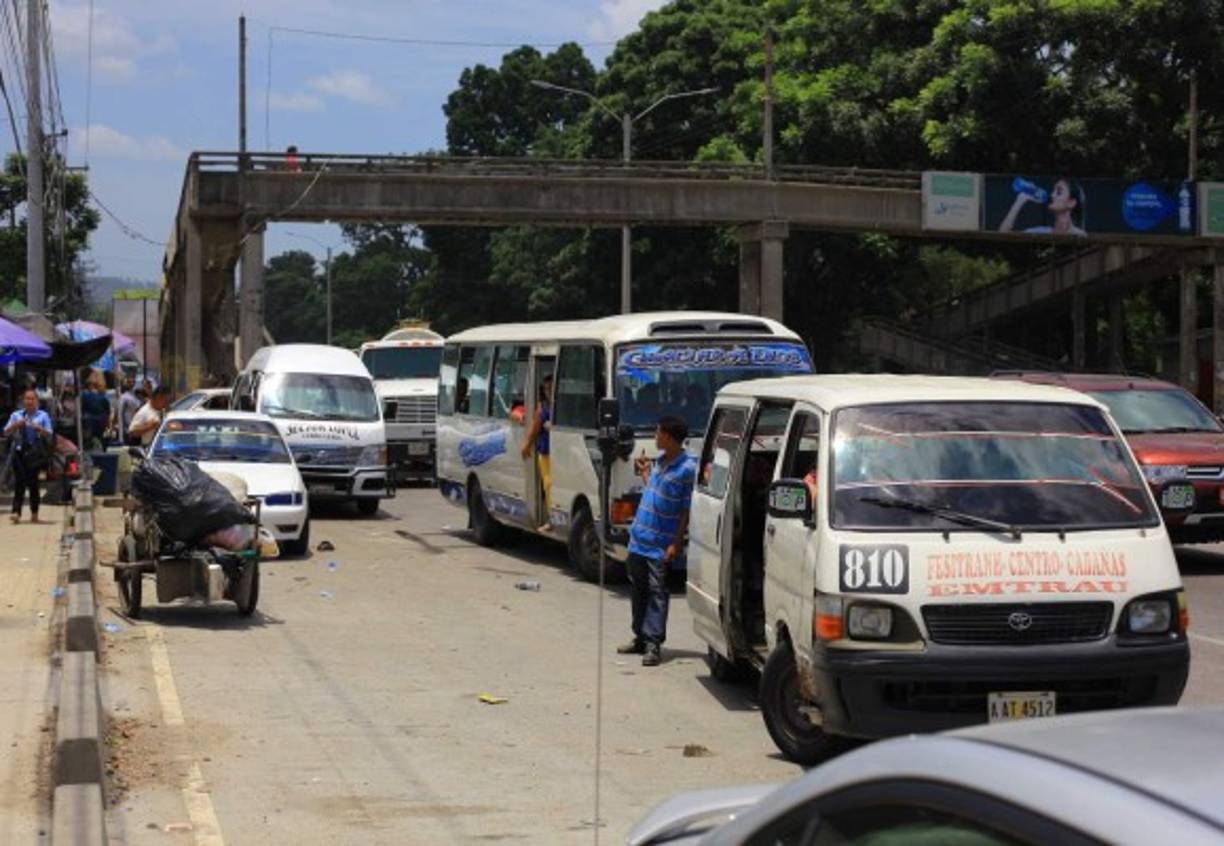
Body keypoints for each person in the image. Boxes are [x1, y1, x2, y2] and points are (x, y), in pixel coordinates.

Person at [618, 415, 697, 667]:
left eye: (658, 432)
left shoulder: (687, 468)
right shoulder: (660, 462)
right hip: (639, 538)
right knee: (638, 589)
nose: (655, 435)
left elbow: (686, 510)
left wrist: (675, 542)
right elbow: (656, 491)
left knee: (657, 592)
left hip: (660, 544)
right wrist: (645, 474)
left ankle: (653, 643)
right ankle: (640, 637)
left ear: (670, 437)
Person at [5, 388, 53, 524]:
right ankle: (16, 512)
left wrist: (39, 428)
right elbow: (5, 432)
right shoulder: (16, 415)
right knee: (19, 483)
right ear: (23, 401)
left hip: (35, 454)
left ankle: (34, 512)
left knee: (33, 484)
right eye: (27, 399)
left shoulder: (43, 415)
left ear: (37, 401)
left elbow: (49, 434)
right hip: (19, 453)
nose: (29, 401)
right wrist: (15, 425)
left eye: (32, 399)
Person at [521, 374, 554, 532]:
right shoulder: (543, 407)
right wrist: (527, 445)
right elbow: (535, 427)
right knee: (548, 486)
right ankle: (551, 518)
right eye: (546, 389)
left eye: (552, 388)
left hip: (562, 453)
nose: (549, 392)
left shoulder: (562, 405)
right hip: (546, 453)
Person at [1000, 177, 1087, 236]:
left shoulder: (1079, 235)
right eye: (1053, 190)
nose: (1052, 195)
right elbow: (1002, 235)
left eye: (1059, 192)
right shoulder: (1040, 232)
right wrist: (1020, 200)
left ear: (1071, 203)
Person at [79, 370, 111, 449]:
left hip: (89, 422)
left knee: (89, 442)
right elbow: (108, 411)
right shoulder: (102, 397)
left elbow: (81, 408)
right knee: (101, 441)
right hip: (101, 422)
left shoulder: (83, 395)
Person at [115, 375, 142, 446]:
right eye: (129, 382)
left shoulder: (136, 397)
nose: (132, 384)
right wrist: (121, 435)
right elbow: (119, 415)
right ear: (126, 383)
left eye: (133, 382)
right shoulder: (124, 397)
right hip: (128, 430)